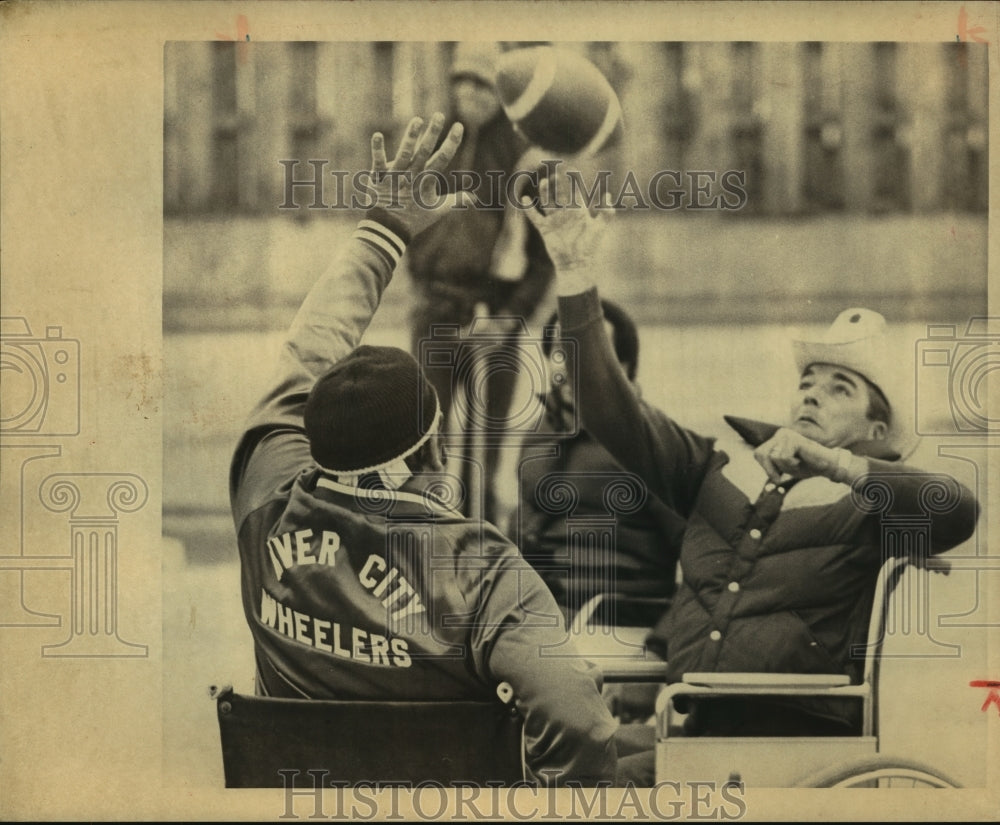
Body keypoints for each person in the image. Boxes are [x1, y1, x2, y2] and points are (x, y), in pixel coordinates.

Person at [521, 176, 979, 759]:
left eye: (840, 389)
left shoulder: (870, 506)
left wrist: (834, 464)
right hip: (686, 734)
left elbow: (958, 508)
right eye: (806, 383)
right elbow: (610, 410)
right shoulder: (716, 469)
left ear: (876, 433)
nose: (812, 395)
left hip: (777, 747)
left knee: (574, 788)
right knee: (523, 760)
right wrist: (575, 272)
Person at [229, 114, 617, 785]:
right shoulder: (483, 568)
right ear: (429, 449)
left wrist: (383, 230)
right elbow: (579, 724)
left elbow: (305, 355)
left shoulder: (267, 498)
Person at [406, 42, 555, 525]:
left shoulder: (524, 157)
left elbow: (546, 254)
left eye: (484, 84)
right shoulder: (432, 145)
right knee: (430, 441)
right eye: (463, 81)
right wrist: (422, 279)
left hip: (496, 315)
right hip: (437, 309)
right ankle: (435, 548)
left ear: (503, 94)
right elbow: (405, 219)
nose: (471, 93)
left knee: (489, 451)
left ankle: (488, 553)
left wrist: (511, 318)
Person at [515, 300, 683, 628]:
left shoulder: (653, 439)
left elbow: (699, 552)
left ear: (625, 366)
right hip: (542, 614)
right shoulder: (536, 437)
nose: (574, 367)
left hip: (619, 619)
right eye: (561, 352)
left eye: (592, 355)